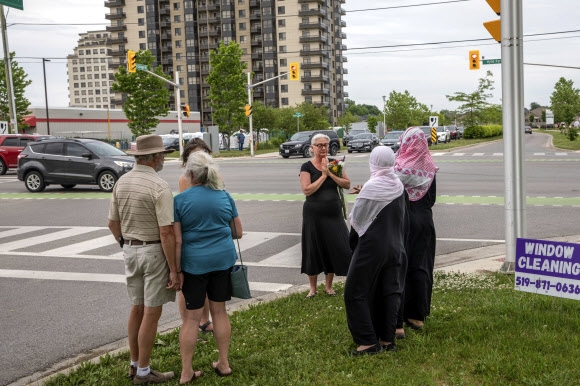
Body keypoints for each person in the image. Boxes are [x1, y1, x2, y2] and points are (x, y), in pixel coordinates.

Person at [107, 134, 179, 384]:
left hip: (129, 249)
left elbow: (112, 223)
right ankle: (144, 372)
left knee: (136, 308)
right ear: (155, 157)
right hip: (153, 251)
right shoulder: (160, 187)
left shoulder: (121, 182)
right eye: (162, 156)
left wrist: (123, 243)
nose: (163, 160)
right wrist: (174, 269)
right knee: (151, 312)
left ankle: (134, 364)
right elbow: (166, 232)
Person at [174, 151, 242, 383]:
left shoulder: (180, 201)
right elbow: (238, 232)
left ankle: (186, 371)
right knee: (220, 311)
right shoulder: (224, 196)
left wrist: (176, 269)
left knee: (191, 319)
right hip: (222, 260)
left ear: (190, 173)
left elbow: (178, 240)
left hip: (194, 264)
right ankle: (223, 363)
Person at [344, 146, 406, 356]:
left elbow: (358, 220)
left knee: (355, 292)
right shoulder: (397, 185)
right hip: (395, 245)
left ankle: (367, 342)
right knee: (389, 291)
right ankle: (387, 340)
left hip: (371, 247)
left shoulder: (372, 187)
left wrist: (352, 244)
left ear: (373, 162)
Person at [394, 127, 437, 334]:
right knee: (421, 267)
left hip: (403, 221)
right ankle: (417, 315)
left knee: (400, 267)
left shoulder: (399, 167)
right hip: (425, 222)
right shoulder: (429, 166)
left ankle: (398, 316)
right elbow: (432, 199)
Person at [299, 133, 351, 298]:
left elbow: (347, 184)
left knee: (335, 247)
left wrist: (330, 173)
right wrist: (323, 176)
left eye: (325, 145)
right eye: (319, 145)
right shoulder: (306, 166)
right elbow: (307, 190)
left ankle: (328, 286)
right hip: (313, 215)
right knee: (312, 248)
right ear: (312, 148)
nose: (323, 148)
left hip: (333, 214)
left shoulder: (336, 164)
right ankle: (312, 288)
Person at [178, 138, 215, 336]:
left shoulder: (214, 177)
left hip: (209, 237)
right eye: (195, 155)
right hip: (193, 238)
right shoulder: (185, 179)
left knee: (207, 285)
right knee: (189, 288)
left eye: (203, 154)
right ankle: (189, 324)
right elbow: (186, 210)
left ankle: (204, 321)